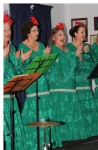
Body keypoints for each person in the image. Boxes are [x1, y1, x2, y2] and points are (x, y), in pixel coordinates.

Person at [18, 16, 51, 149]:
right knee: (34, 109)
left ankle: (45, 141)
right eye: (34, 30)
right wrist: (41, 55)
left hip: (43, 80)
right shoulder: (21, 46)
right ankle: (32, 142)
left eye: (37, 30)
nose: (37, 33)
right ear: (28, 33)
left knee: (45, 109)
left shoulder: (42, 45)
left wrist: (47, 57)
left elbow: (46, 65)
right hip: (32, 83)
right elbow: (23, 68)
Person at [68, 24, 98, 139]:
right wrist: (78, 54)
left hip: (86, 83)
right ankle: (79, 134)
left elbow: (93, 63)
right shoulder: (69, 48)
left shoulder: (87, 46)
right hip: (76, 84)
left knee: (88, 109)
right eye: (81, 32)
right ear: (75, 34)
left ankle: (89, 133)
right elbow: (69, 66)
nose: (84, 34)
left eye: (85, 32)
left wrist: (87, 53)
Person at [4, 13, 27, 150]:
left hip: (11, 98)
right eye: (4, 30)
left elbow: (16, 74)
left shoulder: (12, 49)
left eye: (9, 29)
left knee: (13, 134)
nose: (8, 32)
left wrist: (20, 61)